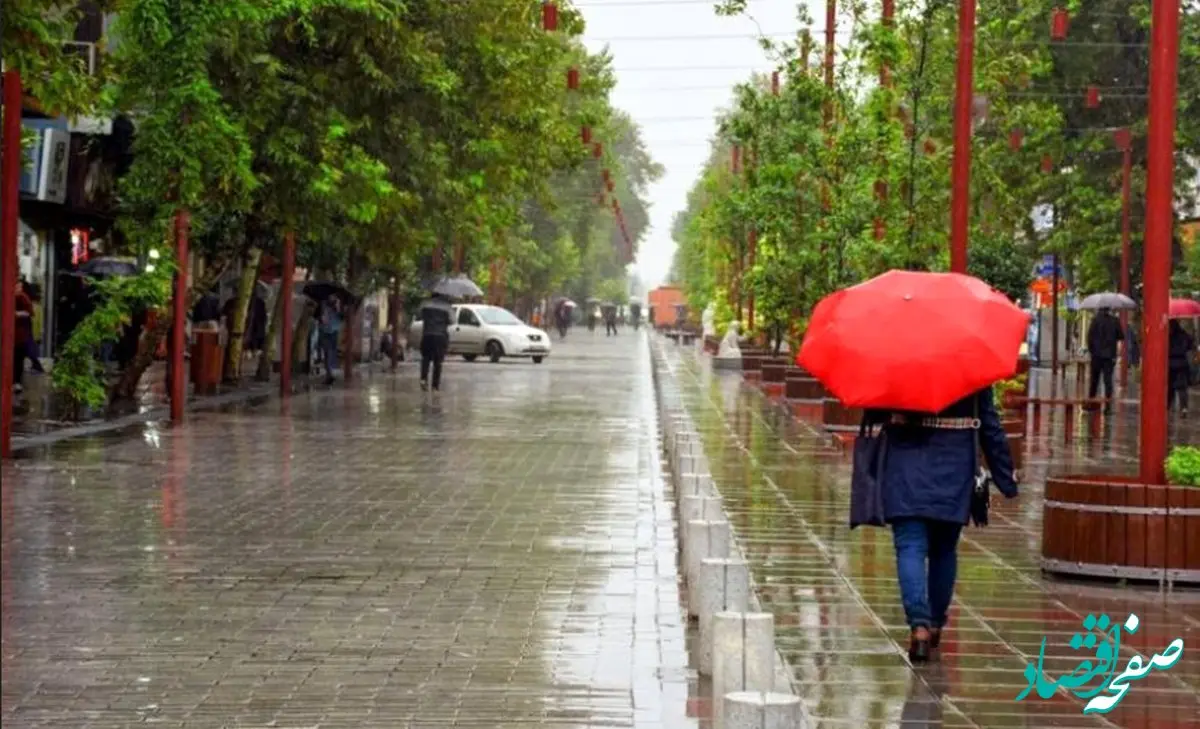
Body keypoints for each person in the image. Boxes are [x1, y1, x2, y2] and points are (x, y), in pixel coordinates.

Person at [869, 388, 1017, 662]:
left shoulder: (898, 357)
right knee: (944, 550)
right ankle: (935, 623)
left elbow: (875, 411)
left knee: (910, 546)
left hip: (905, 466)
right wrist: (1005, 476)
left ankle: (919, 628)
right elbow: (989, 423)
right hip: (954, 464)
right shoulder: (972, 361)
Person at [1086, 307, 1123, 410]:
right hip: (1109, 356)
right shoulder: (1115, 320)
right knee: (1108, 381)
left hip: (1096, 355)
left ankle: (1091, 402)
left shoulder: (1095, 320)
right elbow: (1120, 336)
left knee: (1094, 380)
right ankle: (1108, 405)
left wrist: (1091, 350)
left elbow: (1089, 337)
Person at [418, 294, 452, 391]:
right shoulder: (446, 306)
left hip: (427, 335)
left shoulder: (425, 304)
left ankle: (423, 380)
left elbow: (419, 315)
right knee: (438, 362)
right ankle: (435, 386)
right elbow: (453, 321)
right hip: (440, 336)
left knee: (426, 359)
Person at [1168, 320, 1195, 417]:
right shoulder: (1184, 334)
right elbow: (1190, 345)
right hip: (1182, 364)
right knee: (1182, 388)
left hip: (1170, 364)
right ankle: (1183, 408)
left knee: (1170, 387)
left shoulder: (1168, 336)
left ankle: (1168, 407)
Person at [13, 281, 34, 393]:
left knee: (18, 359)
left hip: (19, 335)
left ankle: (17, 382)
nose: (18, 288)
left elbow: (30, 312)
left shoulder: (22, 297)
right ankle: (16, 382)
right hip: (18, 335)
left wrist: (17, 314)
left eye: (19, 286)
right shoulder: (19, 297)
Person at [317, 298, 343, 385]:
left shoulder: (335, 305)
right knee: (328, 353)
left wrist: (338, 307)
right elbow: (320, 318)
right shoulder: (324, 304)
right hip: (328, 330)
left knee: (329, 353)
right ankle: (329, 374)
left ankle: (330, 374)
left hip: (330, 331)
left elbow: (341, 317)